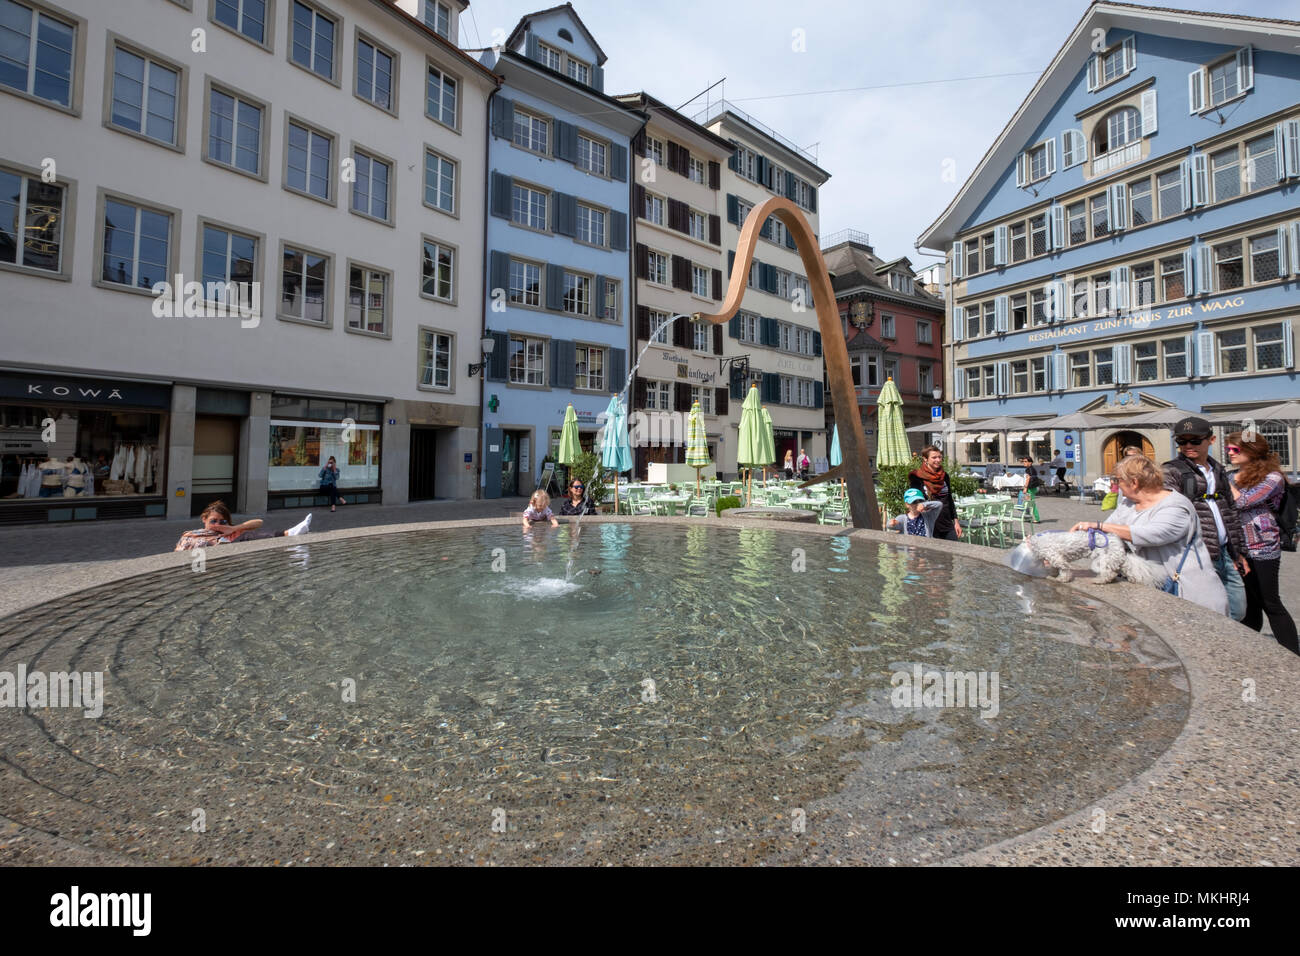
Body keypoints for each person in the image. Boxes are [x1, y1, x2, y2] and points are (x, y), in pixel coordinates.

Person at [1071, 455, 1227, 615]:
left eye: (1118, 480)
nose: (1116, 485)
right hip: (1153, 588)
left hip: (1189, 592)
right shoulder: (1128, 504)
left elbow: (1154, 534)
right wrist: (1063, 548)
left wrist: (1099, 526)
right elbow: (1102, 537)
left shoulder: (1176, 506)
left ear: (1134, 482)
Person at [1162, 416, 1248, 621]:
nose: (1188, 445)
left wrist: (1239, 552)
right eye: (1182, 441)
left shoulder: (1218, 469)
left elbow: (1231, 511)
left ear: (1211, 440)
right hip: (1197, 552)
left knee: (1238, 608)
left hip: (1226, 551)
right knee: (1206, 610)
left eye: (1195, 440)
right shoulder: (1172, 470)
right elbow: (1168, 508)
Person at [1225, 431, 1298, 655]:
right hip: (1238, 547)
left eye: (1235, 449)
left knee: (1270, 602)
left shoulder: (1272, 477)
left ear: (1252, 451)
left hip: (1263, 547)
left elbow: (1243, 502)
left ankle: (1293, 654)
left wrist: (1225, 483)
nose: (1229, 453)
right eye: (1228, 449)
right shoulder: (1231, 477)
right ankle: (1251, 652)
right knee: (1249, 604)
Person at [174, 500, 311, 551]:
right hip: (200, 568)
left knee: (247, 535)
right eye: (213, 521)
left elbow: (259, 522)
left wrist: (233, 528)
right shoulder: (193, 534)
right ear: (204, 519)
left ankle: (289, 533)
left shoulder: (229, 531)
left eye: (222, 522)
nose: (217, 525)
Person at [908, 445, 963, 540]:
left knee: (952, 552)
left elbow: (949, 499)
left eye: (939, 457)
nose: (938, 460)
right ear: (925, 459)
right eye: (934, 457)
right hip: (928, 524)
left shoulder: (944, 476)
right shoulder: (917, 476)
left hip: (946, 523)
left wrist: (956, 522)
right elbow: (914, 500)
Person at [1018, 456, 1042, 521]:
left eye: (1026, 461)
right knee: (1028, 503)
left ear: (1030, 462)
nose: (1024, 463)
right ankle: (1028, 517)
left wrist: (1025, 488)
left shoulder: (1029, 469)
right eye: (1023, 461)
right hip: (1032, 488)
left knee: (1031, 503)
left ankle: (1037, 518)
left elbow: (1028, 478)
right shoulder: (1032, 469)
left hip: (1030, 489)